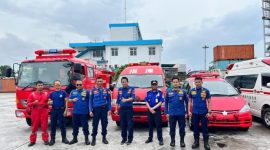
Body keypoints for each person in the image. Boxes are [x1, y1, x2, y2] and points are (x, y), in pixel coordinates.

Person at [188, 77, 211, 150]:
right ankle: (196, 142)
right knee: (195, 128)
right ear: (194, 83)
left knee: (205, 128)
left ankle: (206, 143)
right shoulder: (192, 91)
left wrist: (209, 111)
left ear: (202, 82)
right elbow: (190, 101)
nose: (197, 83)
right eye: (196, 82)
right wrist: (189, 111)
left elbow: (209, 101)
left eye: (199, 82)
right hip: (195, 112)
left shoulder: (206, 91)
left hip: (204, 112)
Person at [165, 76, 188, 147]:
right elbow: (166, 102)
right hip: (172, 114)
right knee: (172, 128)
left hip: (181, 113)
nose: (175, 83)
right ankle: (172, 141)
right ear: (172, 83)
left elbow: (187, 102)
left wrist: (186, 112)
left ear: (179, 83)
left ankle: (182, 141)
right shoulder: (168, 91)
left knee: (182, 129)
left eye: (176, 82)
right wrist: (167, 112)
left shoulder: (183, 91)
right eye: (174, 82)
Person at [89, 77, 112, 146]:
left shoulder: (106, 90)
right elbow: (90, 101)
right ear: (96, 82)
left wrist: (109, 109)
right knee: (95, 124)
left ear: (102, 82)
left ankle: (104, 138)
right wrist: (90, 110)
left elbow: (108, 100)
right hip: (96, 109)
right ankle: (93, 138)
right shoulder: (93, 90)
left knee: (104, 124)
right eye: (98, 81)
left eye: (101, 81)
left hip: (104, 109)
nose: (99, 82)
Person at [27, 81, 49, 146]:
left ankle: (45, 139)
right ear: (36, 86)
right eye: (39, 85)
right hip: (35, 111)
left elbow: (49, 102)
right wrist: (34, 103)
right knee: (34, 126)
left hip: (44, 110)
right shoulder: (32, 94)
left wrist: (49, 103)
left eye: (41, 85)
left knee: (44, 125)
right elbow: (28, 104)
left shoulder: (46, 94)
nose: (40, 86)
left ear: (43, 86)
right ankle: (32, 141)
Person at [69, 80, 91, 145]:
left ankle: (86, 139)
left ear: (82, 85)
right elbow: (68, 99)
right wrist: (72, 100)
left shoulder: (86, 91)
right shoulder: (73, 92)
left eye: (80, 84)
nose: (79, 86)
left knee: (85, 126)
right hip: (75, 112)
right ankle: (75, 138)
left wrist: (90, 110)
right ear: (76, 85)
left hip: (84, 112)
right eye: (77, 84)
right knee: (75, 126)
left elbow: (90, 101)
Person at [114, 77, 135, 145]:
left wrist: (126, 100)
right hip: (122, 110)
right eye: (122, 82)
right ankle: (124, 138)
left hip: (129, 109)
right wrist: (116, 109)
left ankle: (130, 139)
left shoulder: (131, 88)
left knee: (130, 125)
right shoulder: (119, 89)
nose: (124, 83)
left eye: (125, 82)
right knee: (122, 125)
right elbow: (118, 100)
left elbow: (133, 97)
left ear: (127, 82)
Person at [48, 80, 69, 146]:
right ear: (54, 86)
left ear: (60, 85)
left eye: (58, 85)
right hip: (54, 111)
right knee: (53, 125)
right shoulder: (52, 93)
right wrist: (49, 102)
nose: (57, 86)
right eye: (56, 85)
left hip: (61, 110)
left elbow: (66, 101)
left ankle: (64, 138)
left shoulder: (63, 92)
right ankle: (52, 139)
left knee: (62, 125)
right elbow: (49, 101)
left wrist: (66, 110)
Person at [144, 80, 164, 146]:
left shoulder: (160, 93)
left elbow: (161, 102)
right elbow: (146, 101)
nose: (154, 86)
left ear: (157, 85)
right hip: (150, 111)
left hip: (157, 111)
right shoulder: (148, 93)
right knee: (150, 125)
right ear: (151, 85)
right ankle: (150, 138)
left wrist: (153, 108)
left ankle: (160, 139)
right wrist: (150, 108)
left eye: (155, 84)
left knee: (158, 126)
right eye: (153, 84)